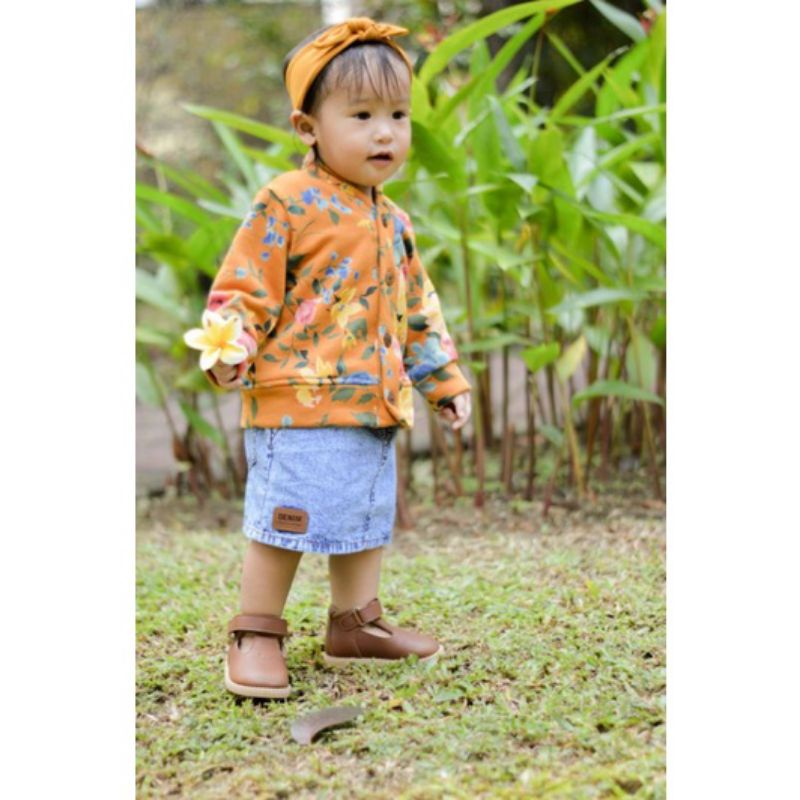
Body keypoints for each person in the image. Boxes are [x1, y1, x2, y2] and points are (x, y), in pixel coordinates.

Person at [201, 17, 472, 699]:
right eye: (362, 115)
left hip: (373, 404)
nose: (386, 133)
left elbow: (418, 309)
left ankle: (355, 623)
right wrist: (229, 343)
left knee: (362, 517)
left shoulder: (394, 221)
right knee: (286, 519)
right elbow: (245, 285)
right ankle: (256, 630)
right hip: (297, 404)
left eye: (398, 115)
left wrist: (443, 381)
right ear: (308, 127)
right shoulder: (286, 202)